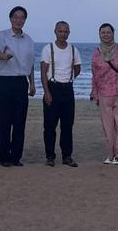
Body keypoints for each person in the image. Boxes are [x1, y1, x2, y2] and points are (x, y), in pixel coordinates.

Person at [0, 5, 35, 167]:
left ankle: (16, 157)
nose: (18, 20)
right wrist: (4, 56)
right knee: (3, 121)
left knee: (19, 121)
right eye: (16, 17)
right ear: (10, 19)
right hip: (4, 81)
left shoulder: (29, 40)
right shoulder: (1, 35)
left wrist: (32, 83)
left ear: (25, 20)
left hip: (21, 82)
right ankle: (4, 156)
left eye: (22, 17)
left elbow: (31, 63)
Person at [40, 21, 82, 167]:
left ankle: (67, 156)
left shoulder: (74, 50)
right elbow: (43, 72)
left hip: (68, 90)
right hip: (52, 88)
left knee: (67, 126)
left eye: (65, 31)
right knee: (49, 126)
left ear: (69, 33)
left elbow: (77, 68)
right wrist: (47, 92)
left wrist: (68, 79)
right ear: (55, 32)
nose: (63, 34)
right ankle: (50, 156)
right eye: (60, 31)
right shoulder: (48, 49)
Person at [90, 23, 118, 165]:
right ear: (99, 34)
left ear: (113, 33)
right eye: (103, 32)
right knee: (108, 128)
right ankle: (110, 154)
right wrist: (95, 93)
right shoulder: (96, 52)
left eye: (108, 32)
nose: (106, 35)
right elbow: (94, 75)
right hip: (104, 94)